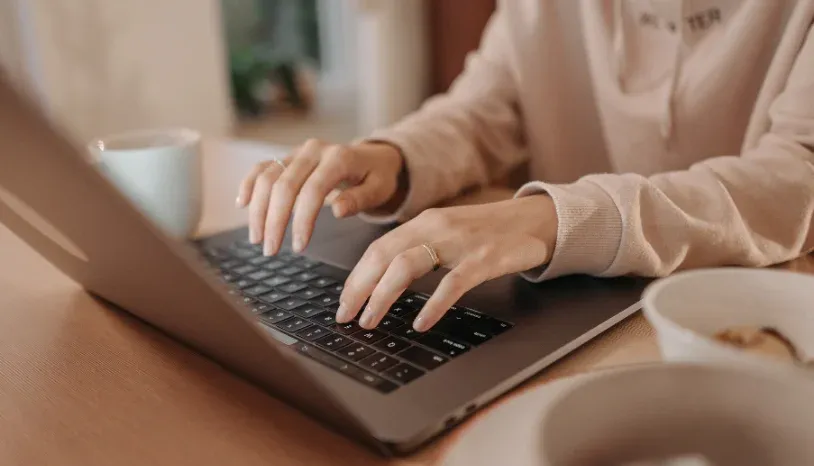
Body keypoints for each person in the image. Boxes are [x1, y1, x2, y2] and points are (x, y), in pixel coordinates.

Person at [236, 0, 814, 333]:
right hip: (572, 315)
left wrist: (550, 221)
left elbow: (795, 177)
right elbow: (483, 109)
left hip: (746, 322)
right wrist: (392, 157)